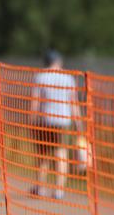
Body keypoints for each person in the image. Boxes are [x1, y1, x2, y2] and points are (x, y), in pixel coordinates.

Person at [31, 50, 80, 199]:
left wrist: (31, 121)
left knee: (43, 155)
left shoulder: (40, 77)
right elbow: (74, 103)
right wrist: (79, 124)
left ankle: (40, 187)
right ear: (59, 61)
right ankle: (59, 190)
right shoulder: (68, 78)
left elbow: (35, 102)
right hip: (63, 121)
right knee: (61, 154)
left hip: (45, 120)